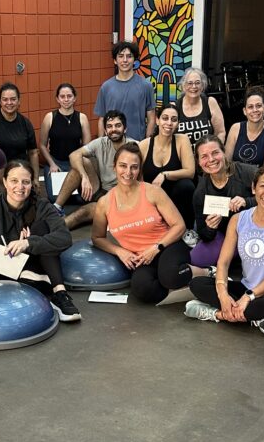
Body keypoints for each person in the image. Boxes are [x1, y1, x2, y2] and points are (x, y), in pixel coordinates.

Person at [0, 160, 82, 322]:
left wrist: (28, 243)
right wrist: (14, 260)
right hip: (3, 265)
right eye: (14, 181)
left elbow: (64, 238)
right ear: (5, 182)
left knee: (41, 228)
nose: (20, 187)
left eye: (25, 182)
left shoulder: (42, 205)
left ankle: (59, 293)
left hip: (37, 261)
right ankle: (28, 284)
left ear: (31, 184)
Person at [184, 164, 264, 336]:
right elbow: (223, 262)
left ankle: (218, 314)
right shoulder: (238, 219)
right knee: (197, 284)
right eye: (263, 186)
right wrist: (223, 294)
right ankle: (251, 317)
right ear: (253, 188)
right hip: (247, 287)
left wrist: (248, 297)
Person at [91, 142, 189, 304]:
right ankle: (177, 286)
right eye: (123, 166)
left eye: (134, 167)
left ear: (139, 169)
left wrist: (156, 248)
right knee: (142, 288)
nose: (128, 172)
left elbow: (179, 226)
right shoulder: (105, 203)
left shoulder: (153, 191)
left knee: (170, 275)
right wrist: (119, 251)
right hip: (141, 258)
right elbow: (97, 237)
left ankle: (205, 272)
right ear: (114, 166)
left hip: (167, 246)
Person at [52, 111, 135, 230]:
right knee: (80, 163)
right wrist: (84, 177)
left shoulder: (134, 147)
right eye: (109, 126)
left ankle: (55, 229)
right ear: (105, 130)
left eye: (118, 125)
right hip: (101, 190)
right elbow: (74, 155)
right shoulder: (101, 142)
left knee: (82, 213)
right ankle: (57, 207)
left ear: (125, 129)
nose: (113, 129)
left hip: (119, 199)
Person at [190, 135, 256, 272]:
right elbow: (204, 234)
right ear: (199, 162)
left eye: (215, 153)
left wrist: (248, 201)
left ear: (224, 153)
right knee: (196, 258)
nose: (211, 159)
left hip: (255, 229)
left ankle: (243, 255)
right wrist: (210, 228)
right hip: (227, 235)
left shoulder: (245, 172)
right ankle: (237, 255)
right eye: (204, 156)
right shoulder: (200, 193)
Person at [138, 104, 196, 228]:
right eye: (165, 118)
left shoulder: (182, 140)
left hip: (176, 198)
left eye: (174, 120)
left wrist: (164, 174)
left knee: (186, 185)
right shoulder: (144, 145)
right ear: (157, 120)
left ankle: (187, 229)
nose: (169, 123)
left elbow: (190, 172)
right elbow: (138, 177)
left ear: (178, 123)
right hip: (152, 196)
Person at [94, 41, 155, 142]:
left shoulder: (146, 86)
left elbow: (151, 118)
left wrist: (147, 143)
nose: (125, 60)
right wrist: (102, 145)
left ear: (134, 60)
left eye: (129, 56)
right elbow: (101, 119)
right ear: (115, 60)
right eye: (121, 56)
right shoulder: (106, 87)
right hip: (112, 144)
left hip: (137, 144)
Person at [0, 83, 39, 178]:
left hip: (20, 173)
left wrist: (36, 178)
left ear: (18, 101)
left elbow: (33, 153)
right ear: (0, 101)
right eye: (5, 99)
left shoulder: (25, 123)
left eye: (13, 99)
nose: (9, 103)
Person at [39, 83, 92, 175]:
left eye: (69, 96)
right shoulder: (49, 117)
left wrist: (79, 163)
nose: (66, 99)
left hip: (75, 162)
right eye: (62, 96)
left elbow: (87, 146)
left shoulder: (82, 118)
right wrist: (52, 164)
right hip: (54, 163)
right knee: (55, 185)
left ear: (74, 98)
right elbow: (42, 145)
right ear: (57, 99)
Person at [225, 87, 264, 167]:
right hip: (235, 174)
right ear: (245, 111)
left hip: (260, 174)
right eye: (250, 107)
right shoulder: (235, 128)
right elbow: (226, 163)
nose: (255, 110)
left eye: (258, 106)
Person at [176, 67, 226, 151]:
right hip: (183, 157)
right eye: (190, 83)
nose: (194, 86)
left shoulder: (210, 103)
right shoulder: (175, 107)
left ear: (202, 86)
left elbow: (220, 133)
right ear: (183, 86)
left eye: (197, 83)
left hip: (207, 156)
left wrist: (214, 152)